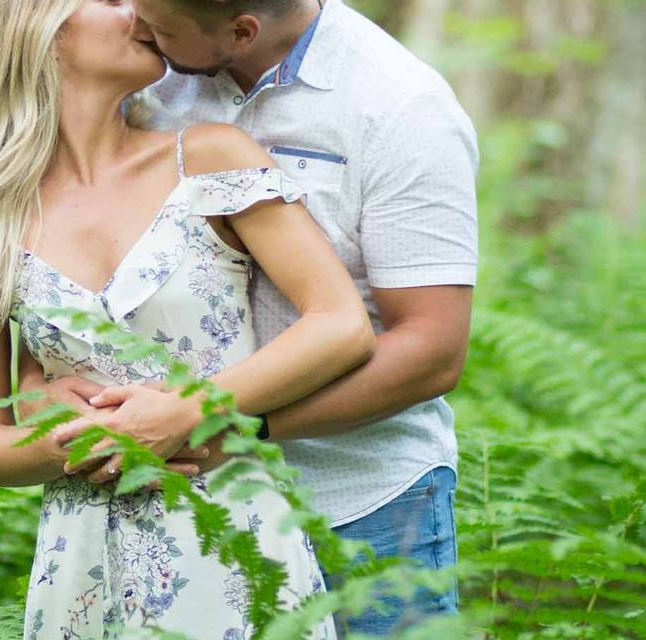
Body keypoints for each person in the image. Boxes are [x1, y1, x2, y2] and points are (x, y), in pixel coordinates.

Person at [0, 1, 377, 637]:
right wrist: (71, 440)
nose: (140, 9)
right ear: (40, 29)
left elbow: (340, 324)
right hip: (81, 566)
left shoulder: (211, 157)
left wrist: (189, 409)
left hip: (234, 540)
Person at [30, 0, 480, 636]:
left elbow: (432, 350)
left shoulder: (398, 107)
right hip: (185, 517)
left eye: (157, 29)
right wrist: (41, 389)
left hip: (361, 504)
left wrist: (228, 421)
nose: (134, 20)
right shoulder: (149, 80)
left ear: (241, 31)